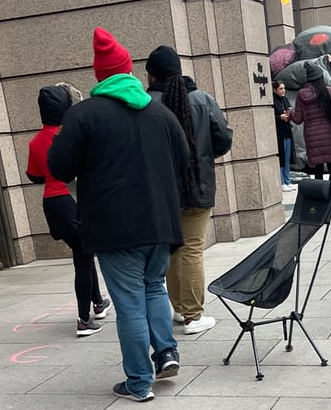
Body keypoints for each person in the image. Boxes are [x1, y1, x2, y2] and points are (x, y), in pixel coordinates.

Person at [48, 28, 189, 402]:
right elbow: (184, 161)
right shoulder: (160, 112)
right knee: (154, 287)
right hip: (161, 222)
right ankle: (166, 353)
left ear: (99, 75)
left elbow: (58, 167)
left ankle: (139, 382)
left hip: (115, 228)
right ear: (128, 71)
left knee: (128, 303)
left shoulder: (83, 115)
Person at [145, 45, 233, 335]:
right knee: (193, 250)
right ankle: (194, 316)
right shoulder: (201, 99)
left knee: (171, 250)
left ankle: (181, 309)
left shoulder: (145, 103)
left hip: (161, 192)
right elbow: (222, 139)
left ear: (150, 75)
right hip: (198, 185)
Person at [26, 83, 112, 337]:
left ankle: (98, 302)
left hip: (52, 205)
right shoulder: (71, 135)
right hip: (73, 200)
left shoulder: (35, 141)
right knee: (83, 259)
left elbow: (34, 176)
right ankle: (84, 319)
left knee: (83, 251)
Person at [289, 61, 331, 208]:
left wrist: (291, 114)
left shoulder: (301, 95)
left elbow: (298, 120)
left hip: (311, 135)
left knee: (318, 169)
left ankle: (322, 199)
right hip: (328, 132)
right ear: (320, 77)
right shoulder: (329, 92)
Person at [272, 81, 295, 192]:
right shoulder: (273, 101)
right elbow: (271, 116)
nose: (283, 91)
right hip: (279, 132)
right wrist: (279, 117)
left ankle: (287, 180)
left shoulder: (285, 99)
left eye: (284, 88)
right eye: (280, 89)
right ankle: (281, 181)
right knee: (281, 157)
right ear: (275, 90)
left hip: (287, 130)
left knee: (287, 157)